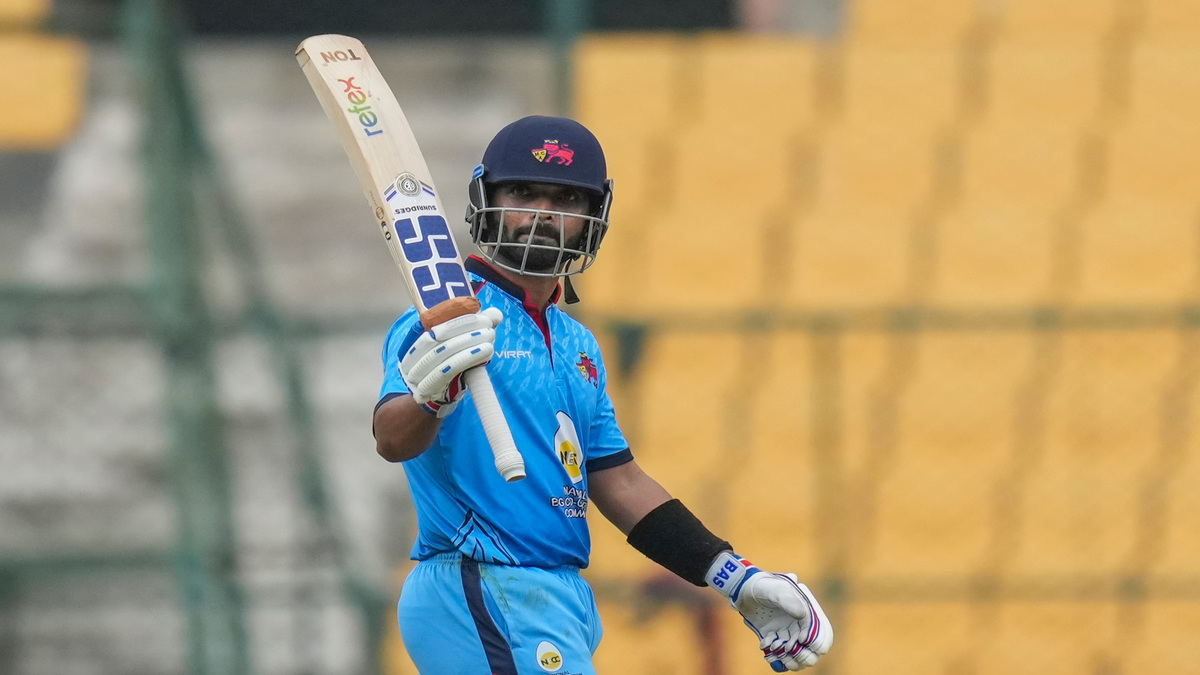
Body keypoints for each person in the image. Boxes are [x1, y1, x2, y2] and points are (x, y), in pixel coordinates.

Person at [373, 115, 833, 674]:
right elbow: (391, 439)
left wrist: (736, 578)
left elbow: (619, 481)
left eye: (566, 198)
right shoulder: (444, 318)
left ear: (594, 216)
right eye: (523, 193)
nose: (544, 212)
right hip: (482, 582)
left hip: (558, 596)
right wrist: (431, 398)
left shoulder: (576, 343)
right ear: (486, 200)